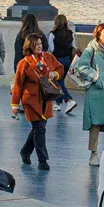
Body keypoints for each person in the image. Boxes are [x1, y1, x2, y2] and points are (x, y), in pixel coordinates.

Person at [11, 30, 64, 172]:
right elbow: (18, 84)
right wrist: (15, 104)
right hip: (31, 101)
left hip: (46, 98)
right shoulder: (24, 63)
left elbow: (60, 68)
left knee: (38, 128)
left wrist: (55, 74)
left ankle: (25, 151)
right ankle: (42, 160)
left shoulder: (49, 57)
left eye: (40, 43)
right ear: (30, 46)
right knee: (40, 129)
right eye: (36, 44)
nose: (39, 46)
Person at [76, 22, 104, 165]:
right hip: (96, 92)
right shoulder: (91, 49)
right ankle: (93, 153)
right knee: (95, 124)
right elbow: (81, 67)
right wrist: (95, 78)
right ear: (98, 34)